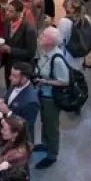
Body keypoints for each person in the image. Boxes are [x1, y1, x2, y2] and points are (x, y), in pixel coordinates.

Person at [33, 26, 69, 170]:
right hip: (42, 94)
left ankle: (52, 154)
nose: (40, 37)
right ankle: (45, 143)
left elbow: (65, 81)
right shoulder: (45, 52)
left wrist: (45, 81)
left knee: (52, 125)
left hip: (51, 98)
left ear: (51, 42)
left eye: (44, 36)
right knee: (44, 121)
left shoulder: (57, 59)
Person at [0, 61, 40, 140]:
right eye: (11, 74)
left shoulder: (31, 101)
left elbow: (26, 126)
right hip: (6, 132)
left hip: (19, 140)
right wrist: (3, 102)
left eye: (14, 76)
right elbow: (8, 99)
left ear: (24, 79)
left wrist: (8, 112)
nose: (10, 77)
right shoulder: (15, 84)